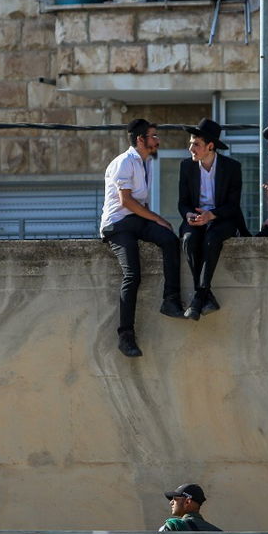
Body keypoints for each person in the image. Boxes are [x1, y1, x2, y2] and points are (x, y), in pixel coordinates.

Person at [101, 119, 186, 358]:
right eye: (154, 136)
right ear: (141, 139)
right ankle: (125, 335)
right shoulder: (124, 162)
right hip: (117, 225)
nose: (158, 140)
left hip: (136, 221)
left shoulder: (145, 162)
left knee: (169, 239)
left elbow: (139, 203)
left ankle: (171, 299)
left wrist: (156, 222)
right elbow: (126, 201)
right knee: (133, 274)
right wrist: (157, 218)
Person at [178, 118, 250, 320]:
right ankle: (204, 295)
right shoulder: (186, 166)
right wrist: (189, 214)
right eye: (191, 143)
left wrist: (211, 215)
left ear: (210, 146)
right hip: (196, 218)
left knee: (212, 239)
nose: (191, 148)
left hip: (222, 218)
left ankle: (198, 297)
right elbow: (182, 203)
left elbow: (233, 205)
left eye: (196, 144)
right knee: (189, 240)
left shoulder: (232, 167)